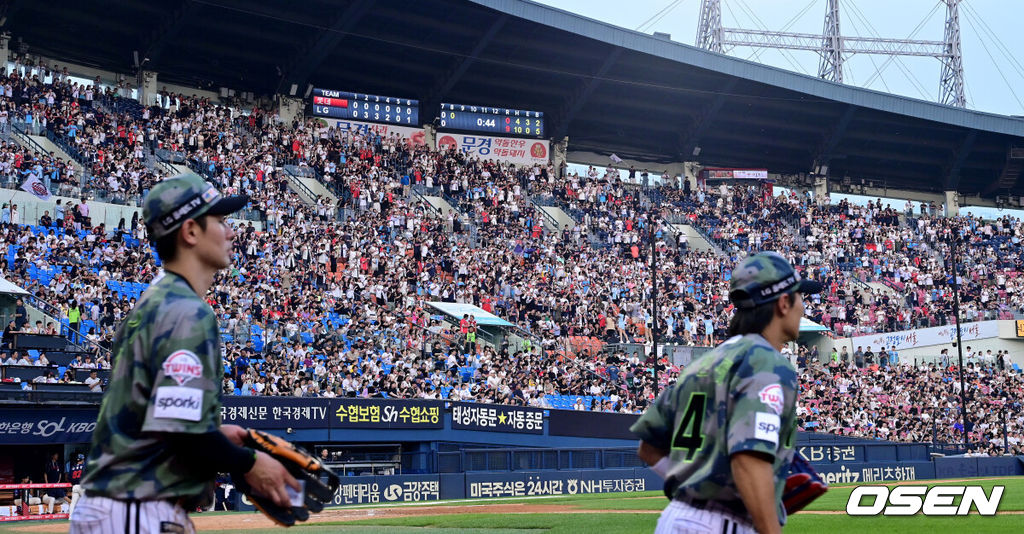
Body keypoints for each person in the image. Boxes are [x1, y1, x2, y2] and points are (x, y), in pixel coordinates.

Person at [70, 174, 299, 534]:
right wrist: (250, 463)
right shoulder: (186, 311)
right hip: (137, 508)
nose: (232, 232)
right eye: (221, 222)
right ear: (190, 232)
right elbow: (183, 431)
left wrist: (214, 432)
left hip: (123, 506)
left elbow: (160, 419)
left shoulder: (153, 302)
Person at [631, 252, 821, 534]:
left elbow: (649, 448)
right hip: (724, 524)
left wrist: (702, 482)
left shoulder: (703, 362)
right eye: (799, 297)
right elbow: (748, 458)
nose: (803, 307)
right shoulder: (766, 362)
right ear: (783, 303)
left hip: (676, 518)